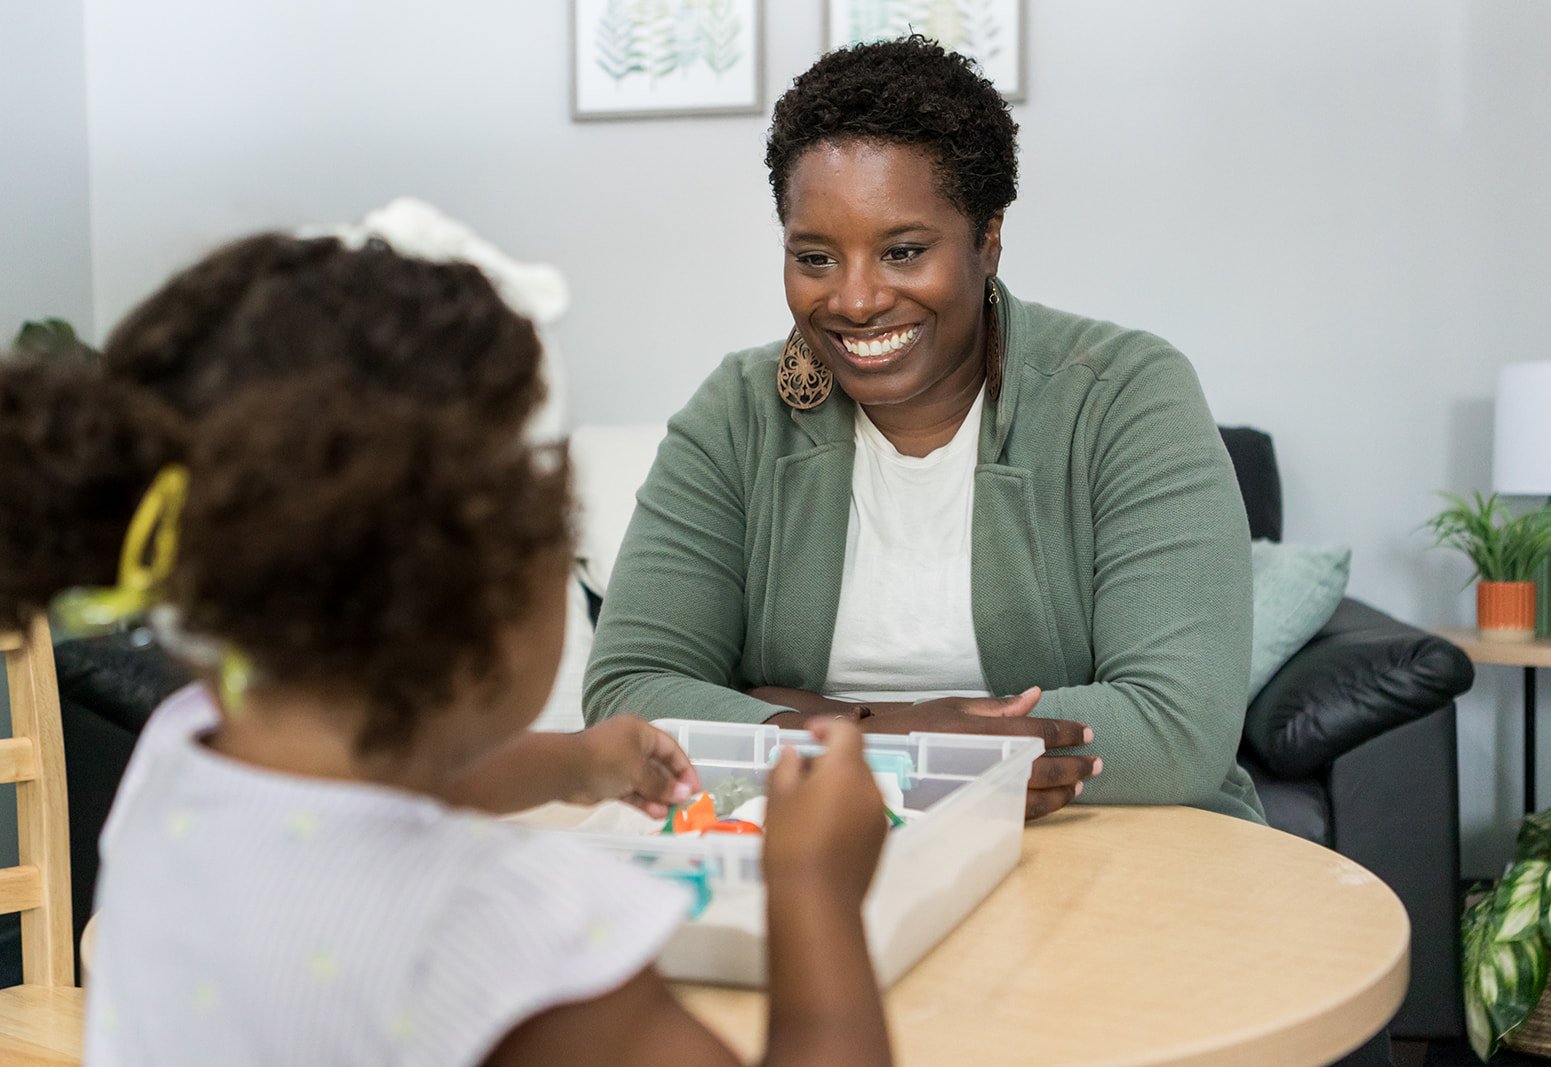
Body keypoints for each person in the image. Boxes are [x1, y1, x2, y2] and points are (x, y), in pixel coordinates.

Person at [0, 237, 893, 1065]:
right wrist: (815, 893)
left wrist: (579, 763)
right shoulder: (510, 929)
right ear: (487, 588)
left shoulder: (179, 758)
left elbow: (376, 784)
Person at [585, 36, 1265, 824]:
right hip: (812, 849)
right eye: (815, 257)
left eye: (903, 251)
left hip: (1108, 842)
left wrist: (786, 716)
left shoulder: (1125, 396)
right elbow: (626, 697)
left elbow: (1176, 729)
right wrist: (894, 735)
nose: (858, 299)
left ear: (988, 239)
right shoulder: (738, 412)